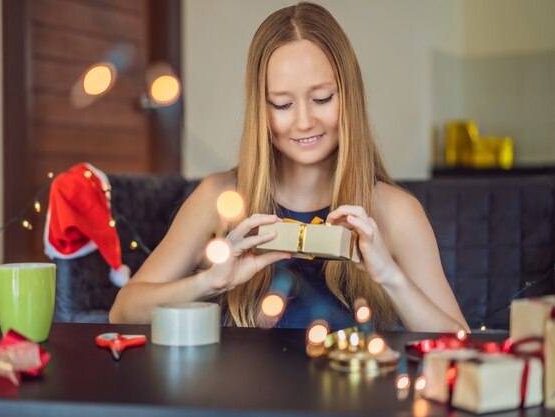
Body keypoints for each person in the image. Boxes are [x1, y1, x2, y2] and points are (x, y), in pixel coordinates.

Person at [109, 2, 468, 332]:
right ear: (261, 110)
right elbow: (123, 312)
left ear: (350, 96)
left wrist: (390, 275)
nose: (304, 121)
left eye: (322, 99)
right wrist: (211, 281)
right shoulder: (219, 197)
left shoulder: (394, 211)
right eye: (281, 104)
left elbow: (461, 342)